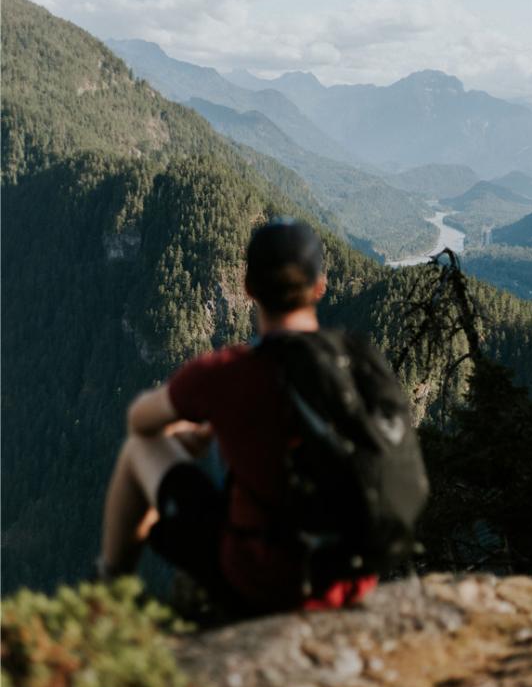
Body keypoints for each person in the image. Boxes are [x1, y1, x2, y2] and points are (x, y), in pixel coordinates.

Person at [98, 219, 377, 616]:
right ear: (320, 287)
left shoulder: (228, 373)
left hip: (265, 583)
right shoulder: (362, 363)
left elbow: (141, 421)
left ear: (247, 289)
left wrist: (194, 431)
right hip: (349, 580)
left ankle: (108, 595)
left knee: (140, 449)